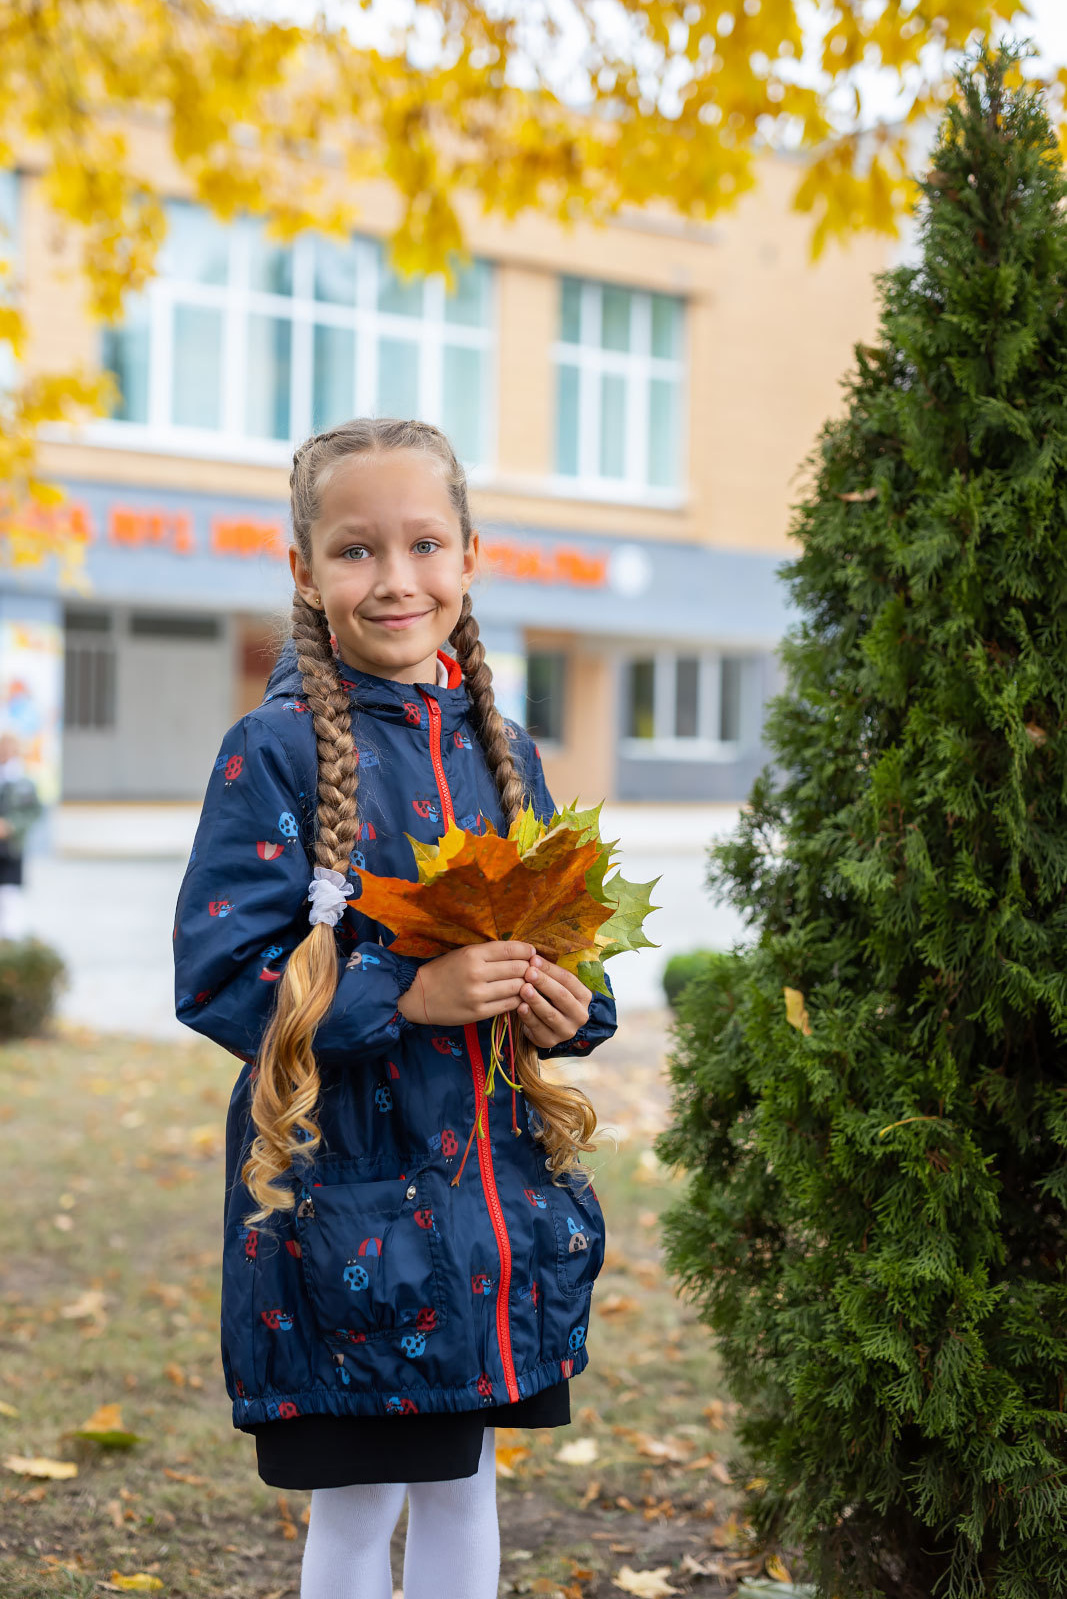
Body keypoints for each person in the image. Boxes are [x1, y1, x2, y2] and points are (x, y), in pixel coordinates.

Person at [172, 418, 617, 1599]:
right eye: (356, 550)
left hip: (488, 1201)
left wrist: (562, 1003)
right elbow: (221, 977)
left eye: (424, 543)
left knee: (466, 1484)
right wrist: (407, 996)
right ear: (304, 573)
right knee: (361, 1501)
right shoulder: (269, 754)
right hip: (343, 1204)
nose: (396, 578)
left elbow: (567, 935)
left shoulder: (500, 745)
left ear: (470, 556)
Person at [0, 731, 43, 941]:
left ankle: (10, 943)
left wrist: (11, 825)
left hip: (11, 847)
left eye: (10, 749)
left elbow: (34, 811)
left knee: (11, 897)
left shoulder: (24, 782)